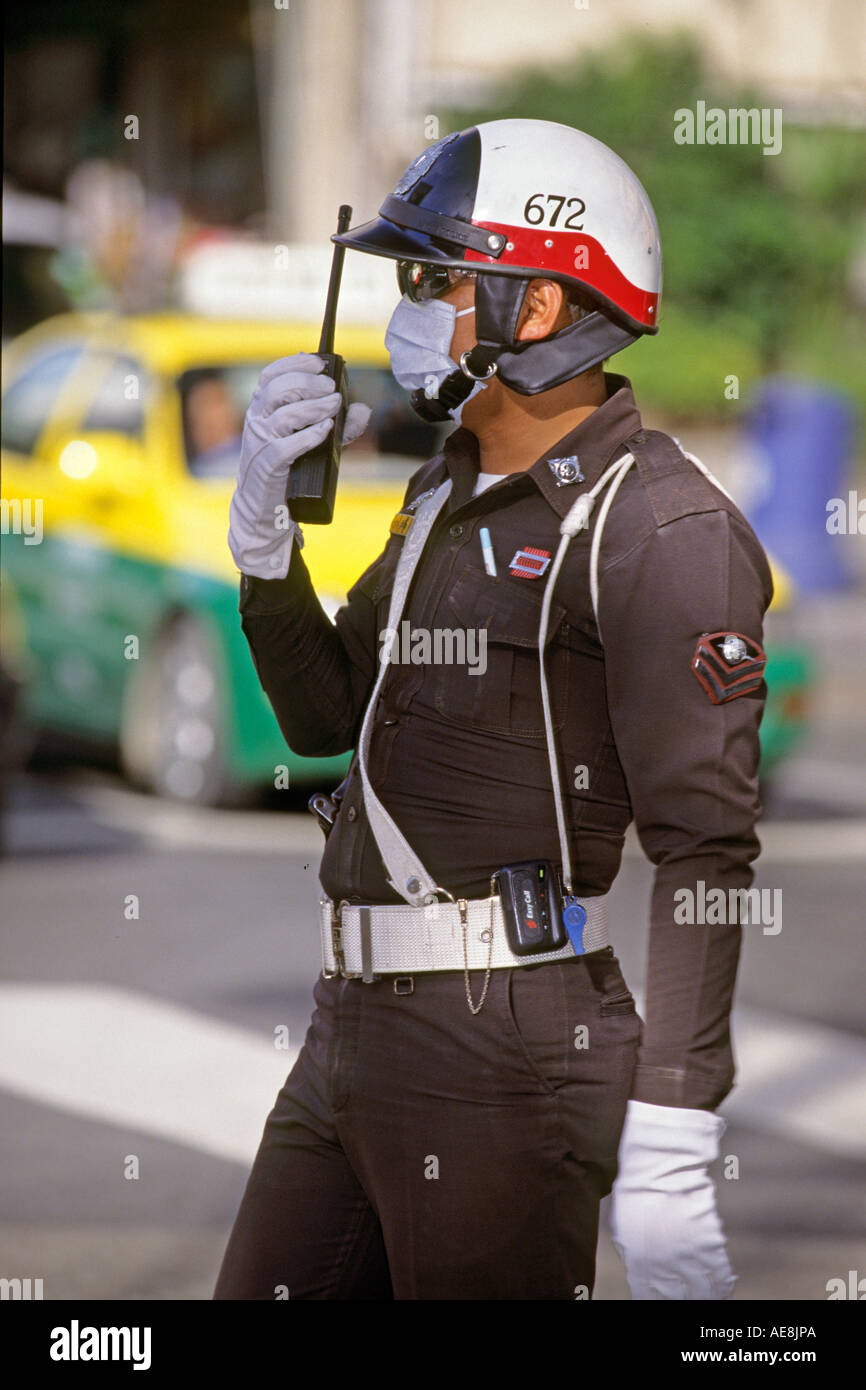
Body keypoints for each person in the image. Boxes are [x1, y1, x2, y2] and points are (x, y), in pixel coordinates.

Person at [214, 119, 772, 1300]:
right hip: (350, 1024)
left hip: (508, 1045)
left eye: (435, 281)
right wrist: (263, 543)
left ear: (535, 309)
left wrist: (673, 1126)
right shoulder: (443, 488)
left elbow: (705, 850)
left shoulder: (654, 525)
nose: (405, 310)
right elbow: (326, 718)